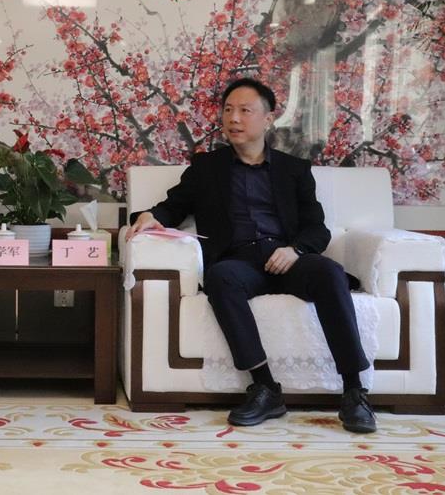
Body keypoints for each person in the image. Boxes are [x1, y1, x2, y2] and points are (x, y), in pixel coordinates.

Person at [125, 77, 376, 433]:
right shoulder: (207, 167)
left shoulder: (294, 170)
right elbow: (174, 206)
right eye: (228, 110)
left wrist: (295, 250)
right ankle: (265, 388)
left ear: (268, 118)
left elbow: (316, 229)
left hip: (288, 258)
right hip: (239, 262)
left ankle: (354, 392)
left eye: (245, 110)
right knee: (220, 277)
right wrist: (150, 216)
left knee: (330, 273)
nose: (234, 118)